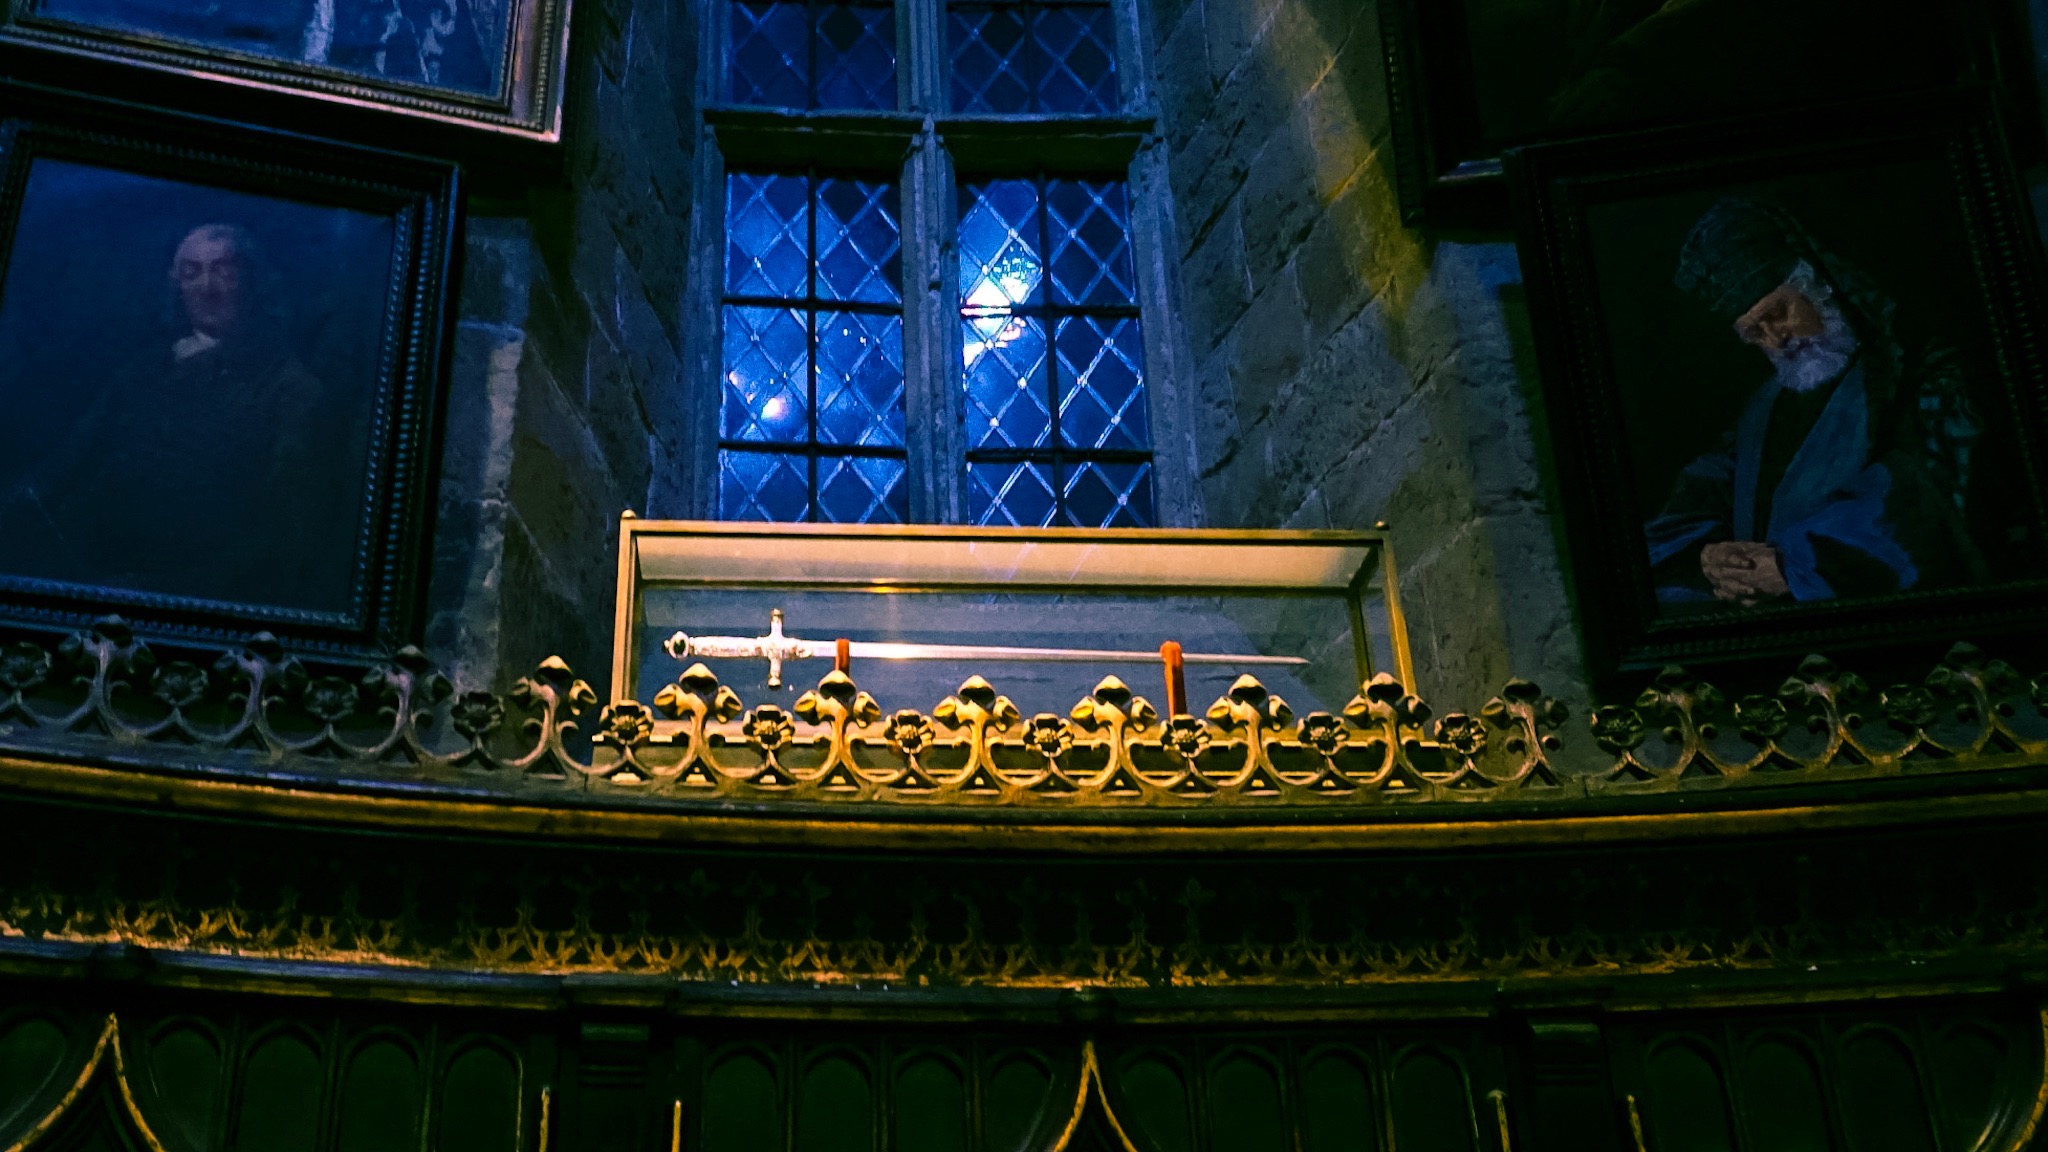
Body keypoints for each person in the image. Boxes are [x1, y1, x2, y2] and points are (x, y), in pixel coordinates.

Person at [0, 223, 366, 613]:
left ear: (255, 284)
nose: (206, 288)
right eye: (191, 273)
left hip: (194, 601)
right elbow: (66, 465)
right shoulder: (143, 371)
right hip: (85, 575)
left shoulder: (292, 391)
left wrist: (162, 591)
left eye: (224, 271)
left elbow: (281, 535)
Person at [1644, 197, 1984, 608]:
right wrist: (1712, 557)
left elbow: (1929, 495)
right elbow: (1706, 488)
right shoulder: (1764, 408)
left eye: (1779, 312)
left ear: (1817, 284)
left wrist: (1794, 563)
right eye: (1755, 333)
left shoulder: (1921, 372)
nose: (1776, 339)